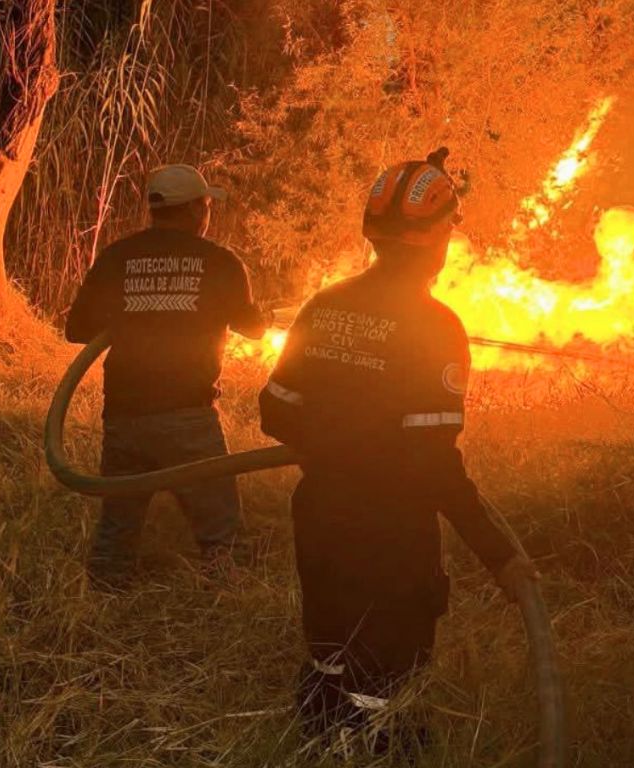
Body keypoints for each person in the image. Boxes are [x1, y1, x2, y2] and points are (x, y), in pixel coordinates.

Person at [258, 148, 538, 758]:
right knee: (389, 674)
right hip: (391, 530)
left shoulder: (324, 305)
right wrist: (500, 555)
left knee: (330, 649)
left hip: (320, 514)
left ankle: (320, 740)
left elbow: (274, 410)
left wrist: (333, 443)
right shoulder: (434, 326)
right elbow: (434, 465)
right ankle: (384, 749)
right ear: (440, 238)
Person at [65, 164, 267, 586]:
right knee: (219, 533)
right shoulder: (220, 262)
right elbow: (255, 328)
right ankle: (225, 600)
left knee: (117, 527)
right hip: (189, 417)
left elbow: (77, 330)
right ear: (196, 209)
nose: (207, 212)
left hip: (124, 414)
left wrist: (137, 309)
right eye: (207, 205)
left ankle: (104, 598)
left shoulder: (117, 257)